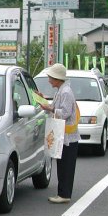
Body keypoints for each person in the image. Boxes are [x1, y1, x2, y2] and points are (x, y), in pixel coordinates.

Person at [39, 63, 80, 204]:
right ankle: (62, 193)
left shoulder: (66, 92)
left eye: (50, 77)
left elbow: (65, 113)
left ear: (57, 78)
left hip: (68, 136)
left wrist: (49, 109)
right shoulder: (61, 91)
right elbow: (54, 108)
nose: (49, 80)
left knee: (66, 167)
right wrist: (44, 102)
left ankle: (64, 194)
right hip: (63, 135)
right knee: (62, 165)